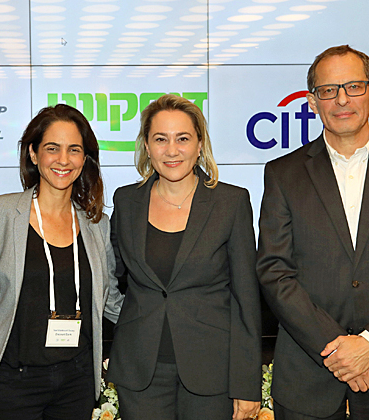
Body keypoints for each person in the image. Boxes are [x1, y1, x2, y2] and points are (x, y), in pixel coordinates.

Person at [257, 45, 369, 419]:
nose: (342, 99)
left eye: (353, 86)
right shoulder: (282, 174)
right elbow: (274, 271)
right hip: (308, 379)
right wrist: (339, 351)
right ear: (312, 102)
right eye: (328, 90)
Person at [107, 94, 262, 420]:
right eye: (160, 139)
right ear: (147, 146)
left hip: (211, 373)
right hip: (140, 372)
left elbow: (246, 299)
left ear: (199, 144)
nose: (172, 150)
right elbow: (111, 276)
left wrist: (247, 384)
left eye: (183, 139)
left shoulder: (231, 203)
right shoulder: (126, 201)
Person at [0, 104, 123, 420]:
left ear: (85, 158)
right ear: (33, 153)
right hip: (9, 382)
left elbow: (110, 301)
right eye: (52, 148)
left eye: (74, 150)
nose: (63, 160)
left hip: (76, 384)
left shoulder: (97, 225)